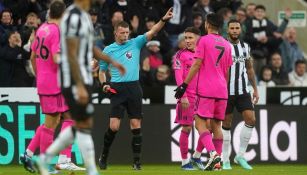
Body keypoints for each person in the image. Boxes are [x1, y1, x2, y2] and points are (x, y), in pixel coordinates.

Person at [34, 1, 125, 175]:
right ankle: (90, 170)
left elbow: (89, 46)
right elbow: (70, 51)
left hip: (82, 77)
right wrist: (78, 84)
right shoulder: (73, 17)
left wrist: (112, 61)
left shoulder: (84, 15)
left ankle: (44, 159)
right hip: (73, 79)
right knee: (83, 123)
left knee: (81, 123)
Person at [98, 8, 173, 170]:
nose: (126, 35)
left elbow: (153, 31)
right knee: (114, 127)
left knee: (135, 124)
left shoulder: (135, 42)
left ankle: (137, 162)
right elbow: (102, 71)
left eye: (127, 32)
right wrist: (104, 84)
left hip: (134, 87)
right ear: (115, 33)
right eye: (122, 33)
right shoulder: (108, 50)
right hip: (117, 88)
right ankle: (103, 156)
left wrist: (164, 19)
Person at [19, 1, 85, 173]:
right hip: (53, 84)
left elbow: (33, 55)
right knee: (50, 124)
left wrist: (39, 74)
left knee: (67, 116)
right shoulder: (56, 31)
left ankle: (58, 158)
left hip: (48, 81)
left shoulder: (42, 29)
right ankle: (45, 164)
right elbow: (57, 58)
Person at [174, 13, 232, 171]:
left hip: (206, 90)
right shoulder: (227, 44)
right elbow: (227, 71)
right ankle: (217, 164)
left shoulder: (204, 41)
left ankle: (213, 154)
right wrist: (223, 88)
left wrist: (184, 86)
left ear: (207, 24)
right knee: (216, 126)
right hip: (222, 90)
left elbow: (197, 64)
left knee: (199, 122)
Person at [221, 19, 259, 170]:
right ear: (228, 30)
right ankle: (225, 160)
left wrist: (255, 88)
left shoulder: (245, 47)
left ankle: (240, 156)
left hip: (243, 90)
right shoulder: (223, 46)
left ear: (240, 30)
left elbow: (249, 68)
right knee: (226, 124)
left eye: (237, 28)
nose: (235, 30)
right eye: (232, 28)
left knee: (251, 119)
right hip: (226, 91)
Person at [173, 27, 205, 170]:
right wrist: (183, 96)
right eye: (185, 38)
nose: (187, 41)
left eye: (190, 38)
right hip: (188, 98)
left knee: (207, 128)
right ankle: (185, 162)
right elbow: (179, 76)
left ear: (198, 38)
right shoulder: (180, 55)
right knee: (186, 128)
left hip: (203, 97)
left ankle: (197, 156)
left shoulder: (203, 54)